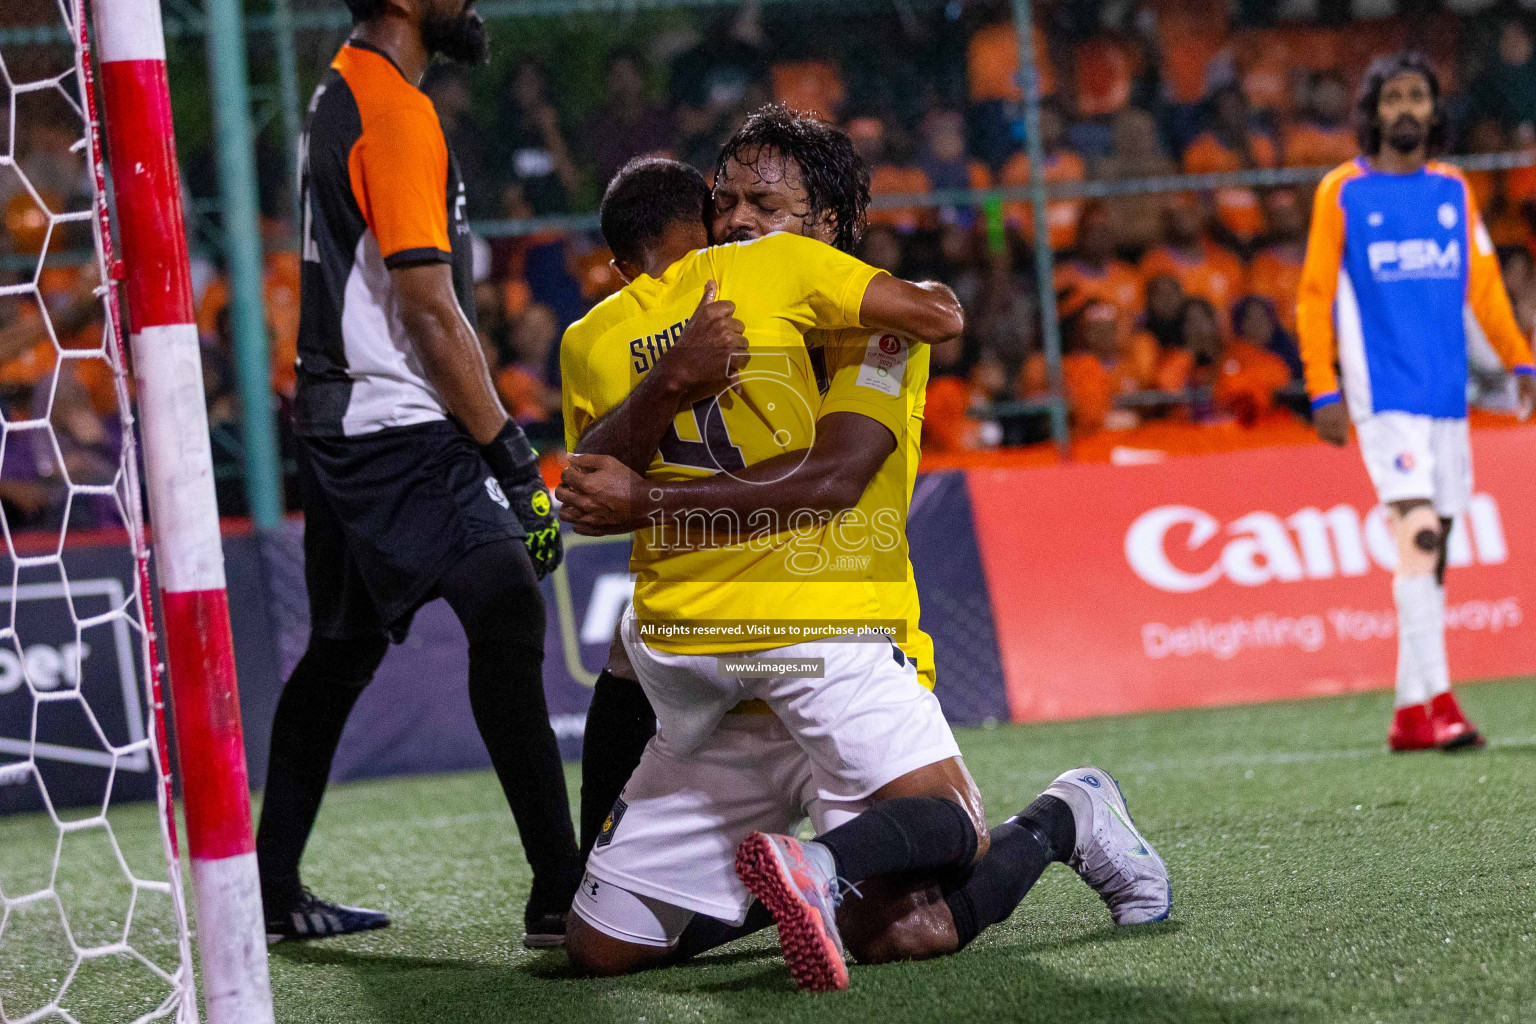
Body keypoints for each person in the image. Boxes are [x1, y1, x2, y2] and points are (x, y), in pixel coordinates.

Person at [557, 128, 1169, 989]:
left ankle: (1065, 817)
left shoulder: (876, 336)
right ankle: (773, 880)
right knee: (602, 948)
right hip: (718, 671)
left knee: (905, 930)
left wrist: (644, 502)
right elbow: (592, 476)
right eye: (724, 202)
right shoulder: (711, 314)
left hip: (839, 630)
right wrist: (668, 385)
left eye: (766, 207)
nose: (736, 223)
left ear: (830, 223)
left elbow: (836, 477)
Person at [256, 0, 581, 946]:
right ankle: (560, 894)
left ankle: (270, 890)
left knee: (342, 652)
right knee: (508, 600)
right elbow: (431, 310)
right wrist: (515, 464)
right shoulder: (393, 107)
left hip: (343, 416)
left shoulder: (345, 85)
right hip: (394, 423)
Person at [1297, 52, 1536, 753]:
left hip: (1446, 400)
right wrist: (1322, 384)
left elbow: (1484, 288)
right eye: (1393, 98)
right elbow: (1314, 296)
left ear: (1435, 111)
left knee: (1436, 554)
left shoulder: (1454, 191)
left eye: (1418, 98)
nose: (1406, 109)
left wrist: (1520, 357)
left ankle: (1407, 713)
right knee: (1421, 537)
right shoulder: (1341, 191)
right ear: (1373, 112)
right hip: (1383, 397)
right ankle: (1442, 705)